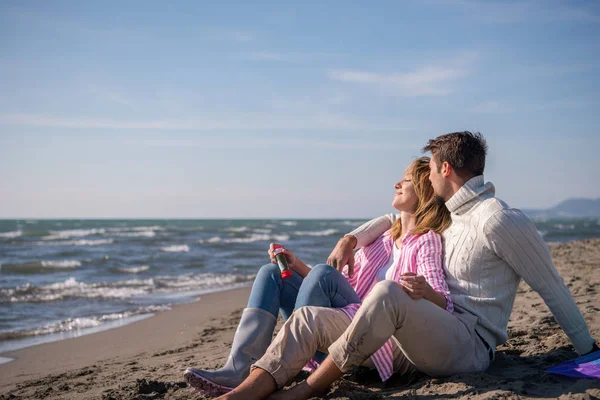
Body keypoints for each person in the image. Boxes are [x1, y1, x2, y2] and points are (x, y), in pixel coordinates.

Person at [214, 131, 598, 400]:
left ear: (446, 168)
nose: (427, 177)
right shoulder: (450, 216)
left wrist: (588, 351)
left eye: (430, 169)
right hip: (417, 329)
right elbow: (396, 222)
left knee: (385, 291)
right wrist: (352, 237)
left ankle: (307, 388)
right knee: (306, 318)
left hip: (469, 344)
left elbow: (551, 286)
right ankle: (242, 394)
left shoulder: (498, 219)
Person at [187, 156, 453, 397]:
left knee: (324, 272)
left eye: (405, 180)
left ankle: (293, 363)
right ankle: (239, 368)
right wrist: (297, 265)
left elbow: (444, 302)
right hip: (336, 320)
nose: (396, 184)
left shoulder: (426, 241)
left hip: (368, 334)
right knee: (272, 273)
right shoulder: (381, 239)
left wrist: (424, 291)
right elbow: (341, 287)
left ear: (423, 191)